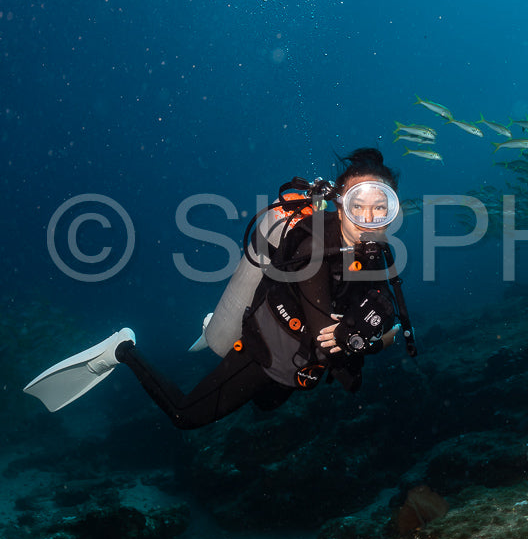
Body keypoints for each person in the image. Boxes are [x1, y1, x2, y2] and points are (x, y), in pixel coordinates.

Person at [24, 148, 418, 429]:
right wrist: (366, 335)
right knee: (185, 416)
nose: (368, 218)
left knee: (267, 406)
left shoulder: (373, 250)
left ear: (393, 211)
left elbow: (382, 303)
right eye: (357, 205)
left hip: (298, 363)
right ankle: (120, 350)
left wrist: (367, 327)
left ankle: (219, 325)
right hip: (268, 349)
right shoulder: (313, 242)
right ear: (340, 204)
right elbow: (328, 337)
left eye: (380, 207)